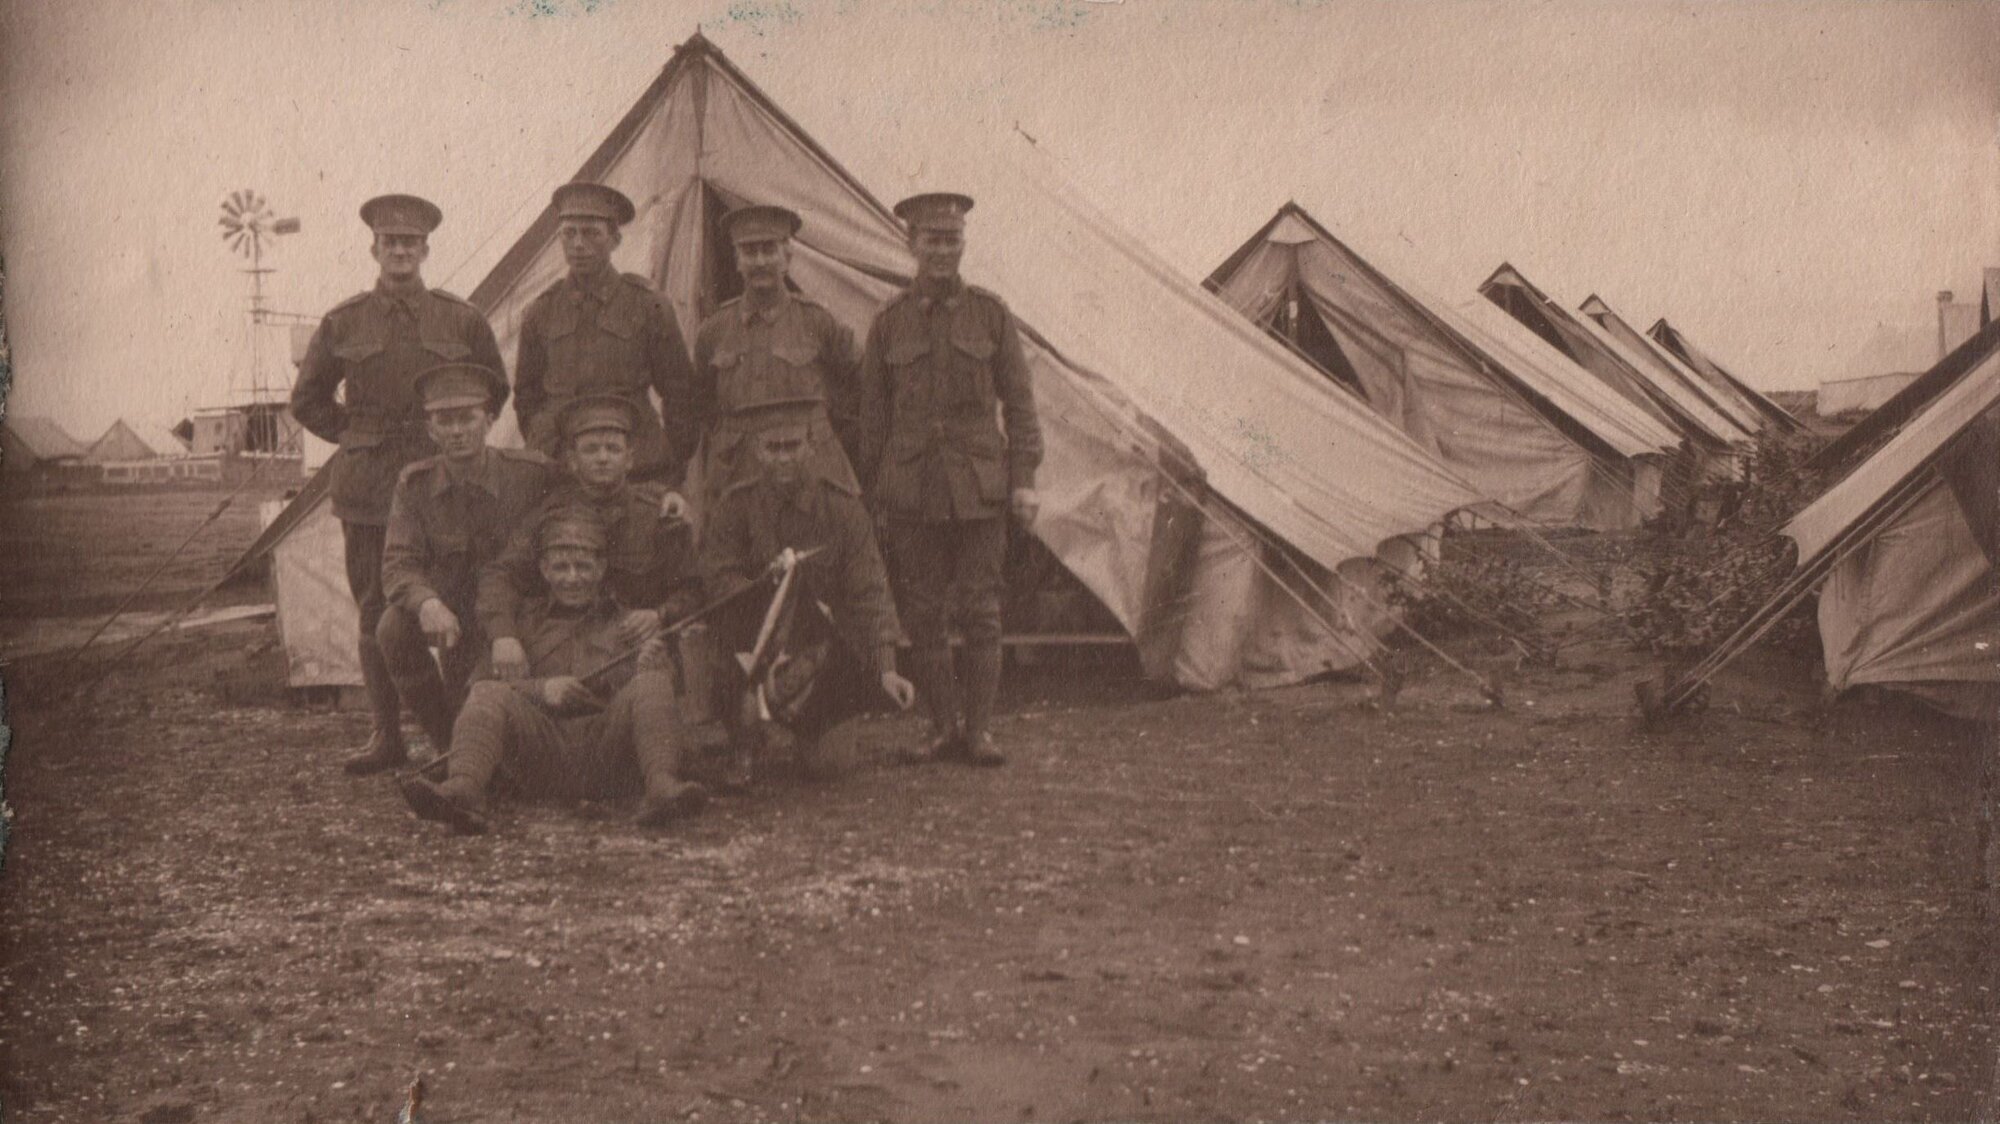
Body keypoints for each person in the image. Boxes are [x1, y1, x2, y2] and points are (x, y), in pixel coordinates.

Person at [291, 194, 506, 775]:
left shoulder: (459, 318)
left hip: (445, 480)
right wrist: (357, 432)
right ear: (375, 249)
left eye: (411, 242)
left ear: (426, 249)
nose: (401, 251)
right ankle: (387, 736)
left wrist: (454, 435)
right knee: (373, 612)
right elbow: (306, 399)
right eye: (391, 243)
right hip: (370, 488)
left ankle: (460, 729)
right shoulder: (345, 320)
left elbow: (495, 388)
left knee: (457, 597)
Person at [857, 192, 1043, 767]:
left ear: (963, 244)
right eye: (931, 240)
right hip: (911, 489)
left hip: (978, 488)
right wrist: (874, 493)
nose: (942, 251)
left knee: (982, 609)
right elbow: (872, 419)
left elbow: (1020, 404)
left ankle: (980, 732)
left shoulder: (990, 314)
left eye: (952, 240)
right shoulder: (889, 324)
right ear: (911, 245)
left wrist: (1024, 478)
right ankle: (941, 726)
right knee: (922, 612)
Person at [400, 507, 707, 834]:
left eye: (583, 567)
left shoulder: (629, 624)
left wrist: (651, 669)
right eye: (561, 567)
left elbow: (658, 708)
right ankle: (461, 792)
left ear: (601, 568)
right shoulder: (520, 625)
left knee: (653, 684)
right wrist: (542, 690)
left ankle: (662, 789)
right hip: (539, 754)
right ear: (544, 570)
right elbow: (480, 688)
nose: (572, 578)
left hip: (608, 757)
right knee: (489, 693)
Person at [699, 398, 916, 783]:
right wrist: (766, 591)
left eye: (793, 447)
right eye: (772, 448)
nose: (783, 458)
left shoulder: (843, 508)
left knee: (828, 768)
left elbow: (871, 589)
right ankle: (744, 742)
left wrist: (886, 669)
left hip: (823, 649)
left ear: (812, 446)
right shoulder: (735, 506)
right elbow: (717, 579)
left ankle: (805, 729)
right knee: (719, 651)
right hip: (754, 640)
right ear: (756, 450)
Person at [375, 363, 557, 762]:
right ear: (431, 430)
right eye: (444, 421)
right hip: (455, 622)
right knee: (392, 627)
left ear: (489, 420)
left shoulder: (530, 474)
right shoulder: (414, 486)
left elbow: (587, 502)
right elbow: (398, 563)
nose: (456, 431)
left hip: (517, 617)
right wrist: (427, 603)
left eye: (467, 418)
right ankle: (446, 743)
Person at [477, 395, 700, 680]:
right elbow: (501, 574)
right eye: (591, 450)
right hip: (566, 648)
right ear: (572, 461)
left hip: (636, 647)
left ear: (630, 458)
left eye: (613, 449)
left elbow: (693, 589)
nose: (603, 458)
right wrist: (503, 635)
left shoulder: (659, 512)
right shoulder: (550, 513)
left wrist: (660, 614)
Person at [666, 203, 862, 521]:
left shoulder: (818, 321)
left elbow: (862, 383)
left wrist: (827, 434)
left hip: (809, 470)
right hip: (737, 472)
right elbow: (701, 404)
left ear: (788, 257)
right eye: (749, 251)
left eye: (769, 249)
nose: (759, 261)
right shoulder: (714, 330)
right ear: (737, 260)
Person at [513, 182, 695, 482]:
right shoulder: (541, 311)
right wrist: (546, 445)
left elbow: (681, 394)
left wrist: (672, 466)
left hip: (637, 465)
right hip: (562, 465)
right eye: (569, 233)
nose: (578, 244)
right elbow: (526, 397)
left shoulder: (648, 305)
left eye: (591, 233)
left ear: (615, 240)